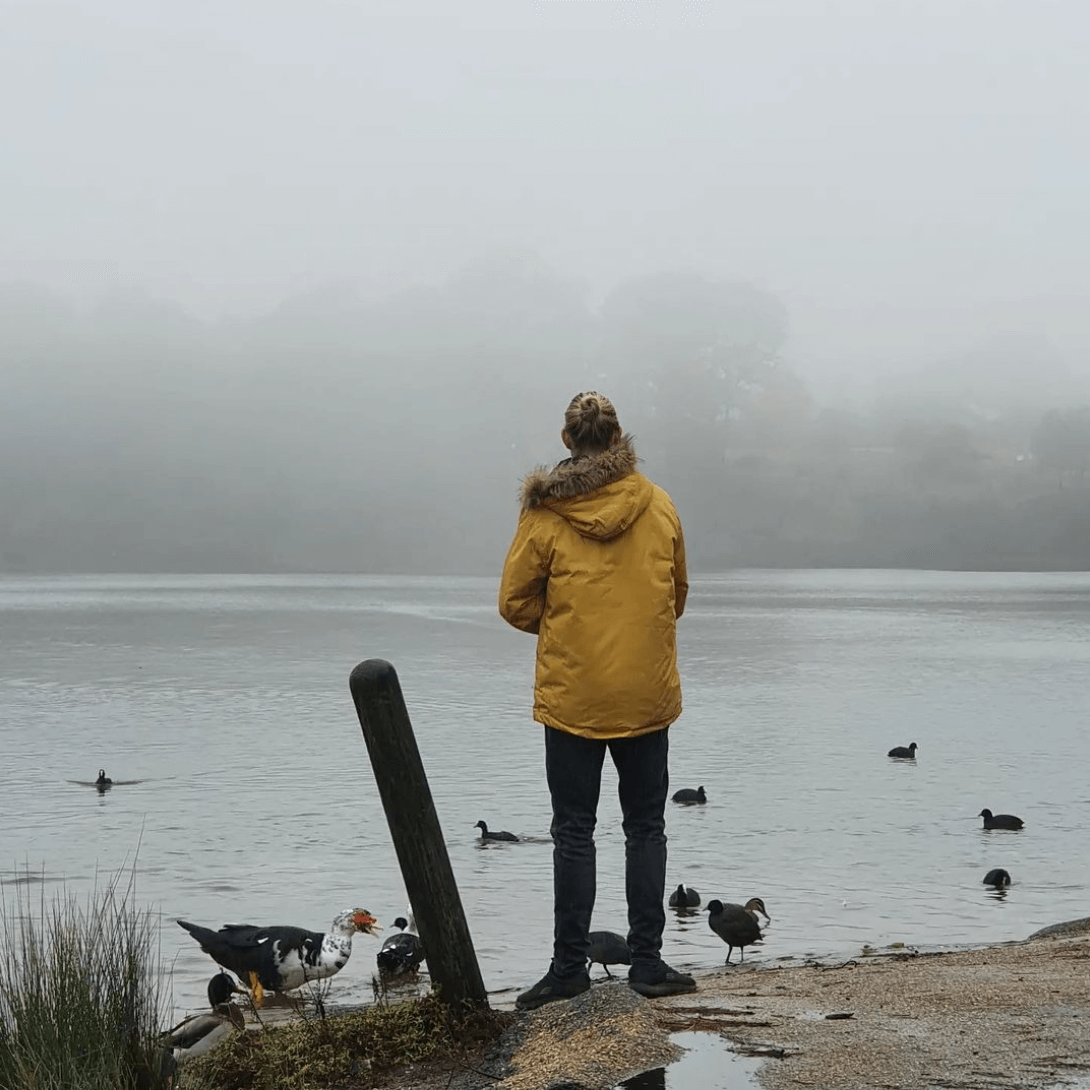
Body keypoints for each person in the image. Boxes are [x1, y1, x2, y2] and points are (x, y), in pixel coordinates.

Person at [498, 390, 694, 1010]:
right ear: (619, 440)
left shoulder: (546, 513)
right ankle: (648, 963)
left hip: (573, 694)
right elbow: (677, 595)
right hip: (645, 694)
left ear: (567, 442)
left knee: (573, 832)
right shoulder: (659, 505)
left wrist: (566, 628)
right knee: (646, 827)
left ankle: (567, 969)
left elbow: (514, 601)